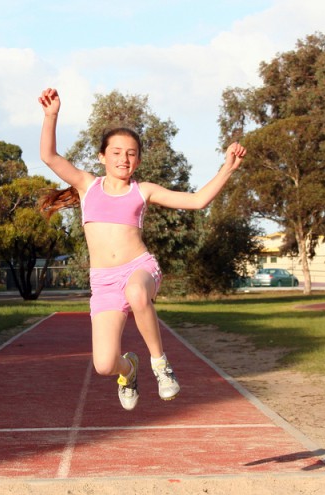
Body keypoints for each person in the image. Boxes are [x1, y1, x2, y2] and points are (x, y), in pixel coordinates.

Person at [38, 88, 246, 411]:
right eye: (117, 152)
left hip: (140, 269)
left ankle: (160, 364)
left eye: (132, 153)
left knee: (137, 293)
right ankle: (129, 369)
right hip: (103, 283)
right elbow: (49, 157)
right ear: (102, 156)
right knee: (104, 365)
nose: (124, 159)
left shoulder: (142, 191)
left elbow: (196, 201)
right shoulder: (87, 187)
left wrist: (227, 169)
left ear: (138, 160)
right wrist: (51, 116)